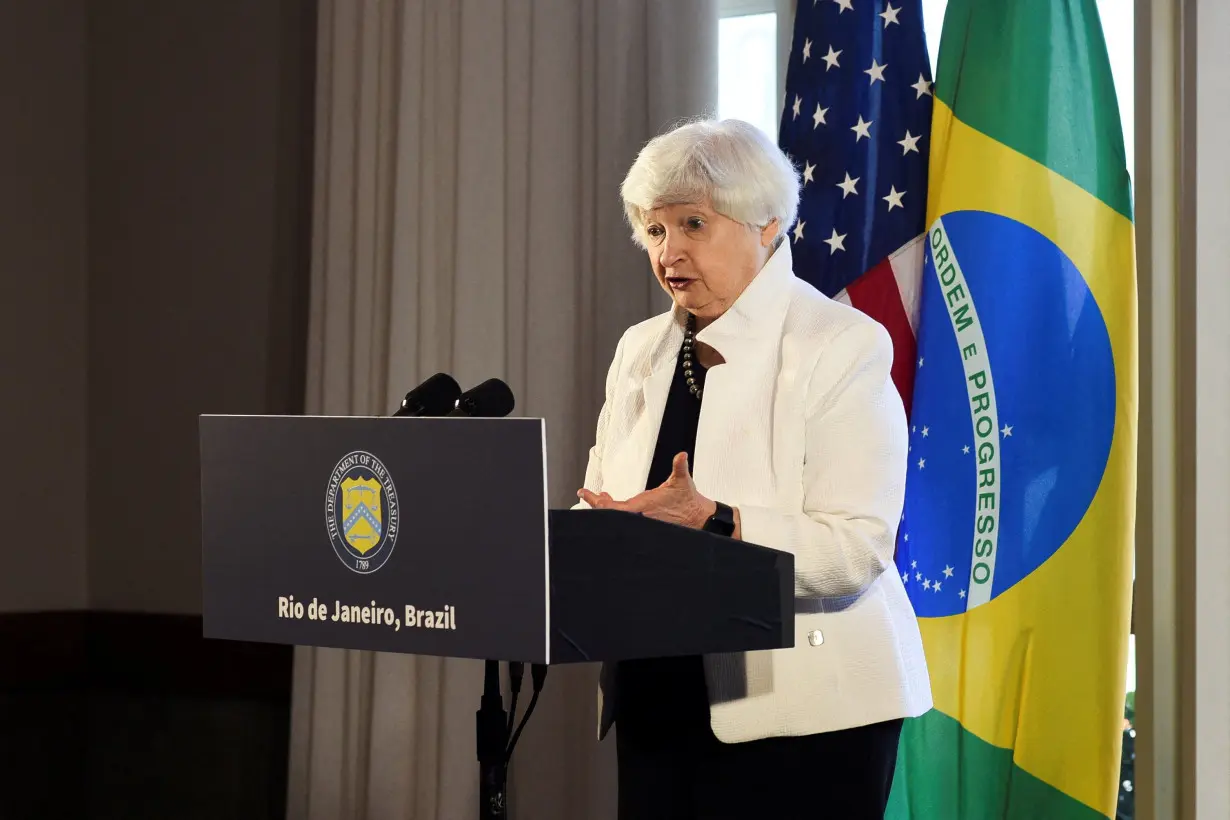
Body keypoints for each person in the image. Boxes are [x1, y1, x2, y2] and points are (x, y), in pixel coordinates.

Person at [573, 118, 932, 819]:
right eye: (653, 230)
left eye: (693, 224)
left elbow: (856, 549)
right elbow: (606, 499)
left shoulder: (842, 344)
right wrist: (594, 536)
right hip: (658, 693)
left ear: (767, 225)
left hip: (810, 714)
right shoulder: (639, 349)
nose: (668, 252)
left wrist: (718, 520)